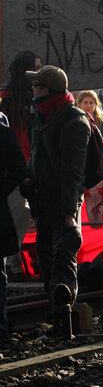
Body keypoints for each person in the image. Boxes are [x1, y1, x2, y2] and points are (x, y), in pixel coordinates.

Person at [24, 65, 89, 337]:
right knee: (49, 259)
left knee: (63, 260)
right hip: (44, 202)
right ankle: (56, 317)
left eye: (36, 86)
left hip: (63, 205)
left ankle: (65, 322)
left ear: (46, 90)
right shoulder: (45, 116)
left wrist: (69, 212)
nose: (32, 91)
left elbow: (72, 172)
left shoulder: (73, 121)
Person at [0, 51, 41, 280]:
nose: (38, 71)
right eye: (34, 67)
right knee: (18, 211)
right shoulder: (7, 97)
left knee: (23, 212)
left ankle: (12, 260)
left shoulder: (33, 96)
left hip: (28, 162)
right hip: (12, 164)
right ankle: (12, 261)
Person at [0, 119, 26, 339]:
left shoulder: (4, 134)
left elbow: (19, 169)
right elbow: (18, 168)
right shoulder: (5, 134)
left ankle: (1, 326)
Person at [76, 91, 103, 228]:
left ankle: (98, 225)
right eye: (85, 102)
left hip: (100, 165)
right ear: (79, 104)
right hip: (83, 166)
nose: (88, 105)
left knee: (101, 198)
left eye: (91, 102)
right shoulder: (75, 120)